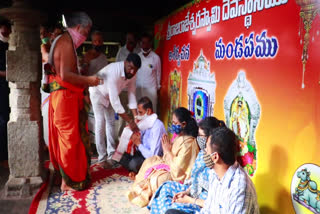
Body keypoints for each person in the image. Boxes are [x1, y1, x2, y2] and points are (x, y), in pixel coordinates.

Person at [48, 12, 100, 191]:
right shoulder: (65, 41)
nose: (86, 35)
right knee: (69, 139)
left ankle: (65, 177)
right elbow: (65, 75)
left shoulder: (64, 40)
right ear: (79, 27)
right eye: (87, 31)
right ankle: (67, 181)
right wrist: (90, 81)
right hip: (64, 97)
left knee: (71, 137)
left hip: (64, 96)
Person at [166, 127, 259, 214]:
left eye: (206, 149)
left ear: (215, 157)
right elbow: (208, 208)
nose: (204, 151)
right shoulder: (214, 174)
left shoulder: (238, 187)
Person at [149, 117, 225, 214]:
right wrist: (186, 192)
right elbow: (196, 180)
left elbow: (216, 204)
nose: (199, 139)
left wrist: (188, 200)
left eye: (202, 136)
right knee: (166, 187)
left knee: (173, 208)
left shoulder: (219, 163)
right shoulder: (202, 153)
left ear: (211, 138)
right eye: (198, 135)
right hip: (193, 191)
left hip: (203, 201)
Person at [127, 107, 199, 207]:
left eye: (175, 123)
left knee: (157, 179)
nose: (173, 125)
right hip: (169, 163)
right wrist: (167, 151)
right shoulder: (179, 136)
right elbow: (167, 155)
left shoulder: (188, 144)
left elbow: (179, 171)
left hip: (178, 175)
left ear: (184, 124)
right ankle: (139, 182)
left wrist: (167, 151)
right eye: (172, 123)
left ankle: (145, 190)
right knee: (149, 161)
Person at [88, 53, 141, 168]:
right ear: (125, 62)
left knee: (111, 123)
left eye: (135, 70)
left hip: (110, 95)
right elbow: (115, 103)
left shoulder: (133, 74)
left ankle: (112, 155)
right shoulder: (113, 71)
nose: (132, 72)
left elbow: (132, 95)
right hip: (97, 91)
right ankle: (102, 158)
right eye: (130, 68)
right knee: (100, 123)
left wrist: (136, 118)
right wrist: (130, 121)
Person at [113, 96, 166, 175]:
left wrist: (138, 144)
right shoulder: (145, 123)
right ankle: (138, 168)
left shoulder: (157, 127)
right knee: (121, 157)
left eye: (140, 112)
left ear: (148, 111)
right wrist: (134, 140)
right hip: (141, 153)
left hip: (152, 158)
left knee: (133, 164)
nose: (138, 115)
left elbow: (153, 155)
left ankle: (141, 170)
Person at [136, 33, 161, 113]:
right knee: (139, 111)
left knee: (152, 110)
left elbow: (158, 74)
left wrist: (157, 89)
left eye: (147, 42)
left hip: (151, 89)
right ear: (140, 44)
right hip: (139, 88)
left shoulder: (156, 58)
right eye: (143, 42)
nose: (145, 45)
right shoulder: (137, 57)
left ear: (150, 44)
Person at [0, 18, 11, 168]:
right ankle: (3, 158)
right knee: (2, 123)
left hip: (7, 89)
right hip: (1, 88)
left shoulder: (7, 45)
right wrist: (6, 74)